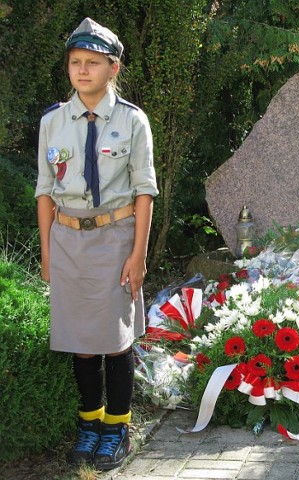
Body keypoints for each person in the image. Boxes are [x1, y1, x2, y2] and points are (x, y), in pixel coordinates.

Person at [35, 17, 158, 470]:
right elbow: (45, 192)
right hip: (67, 239)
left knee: (115, 340)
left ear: (113, 68)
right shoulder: (53, 122)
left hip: (116, 238)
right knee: (81, 341)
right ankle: (90, 422)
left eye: (92, 62)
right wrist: (48, 255)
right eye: (75, 62)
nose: (82, 71)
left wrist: (138, 254)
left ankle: (118, 427)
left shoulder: (132, 121)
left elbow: (144, 191)